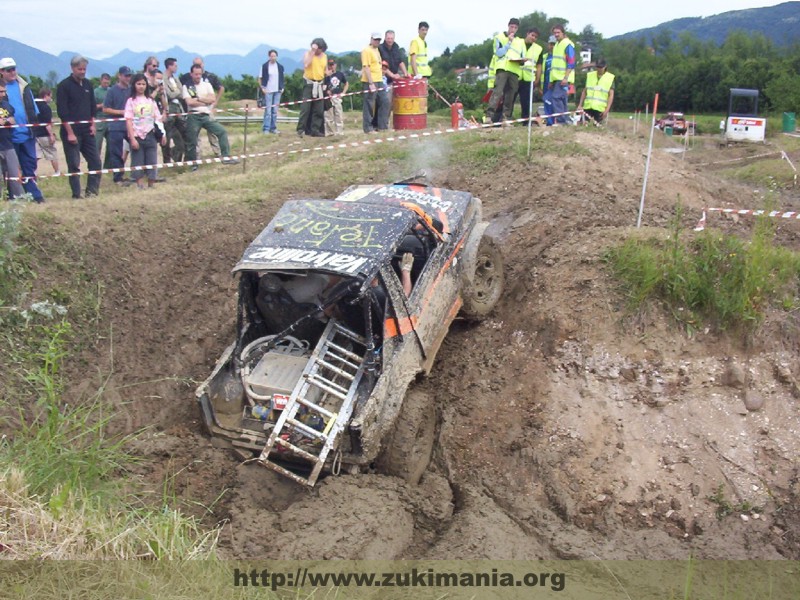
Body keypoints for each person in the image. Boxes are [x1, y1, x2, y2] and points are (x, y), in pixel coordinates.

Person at [56, 55, 102, 199]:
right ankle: (77, 194)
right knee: (74, 164)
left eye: (84, 69)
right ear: (72, 68)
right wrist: (70, 133)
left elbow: (92, 108)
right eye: (79, 69)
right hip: (72, 131)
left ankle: (92, 191)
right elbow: (62, 113)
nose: (82, 71)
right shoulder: (64, 86)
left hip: (87, 130)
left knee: (95, 161)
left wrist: (93, 125)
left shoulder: (88, 84)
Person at [0, 57, 44, 202]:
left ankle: (34, 195)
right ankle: (13, 197)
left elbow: (33, 110)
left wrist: (34, 127)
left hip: (27, 133)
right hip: (8, 137)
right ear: (2, 72)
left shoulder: (24, 86)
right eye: (9, 70)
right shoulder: (1, 89)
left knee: (29, 165)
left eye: (14, 68)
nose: (12, 72)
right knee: (10, 170)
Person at [183, 64, 238, 168]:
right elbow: (189, 102)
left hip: (206, 114)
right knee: (192, 140)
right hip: (193, 115)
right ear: (191, 74)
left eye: (199, 74)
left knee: (221, 131)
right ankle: (193, 164)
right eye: (196, 74)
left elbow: (212, 99)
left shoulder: (207, 85)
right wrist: (205, 101)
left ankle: (226, 157)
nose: (198, 76)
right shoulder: (187, 86)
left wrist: (199, 99)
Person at [125, 73, 165, 189]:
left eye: (143, 84)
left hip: (150, 134)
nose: (141, 86)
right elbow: (128, 120)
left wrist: (163, 134)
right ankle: (140, 185)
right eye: (138, 84)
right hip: (137, 135)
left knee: (152, 160)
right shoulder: (130, 101)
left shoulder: (150, 101)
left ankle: (151, 184)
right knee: (138, 161)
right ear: (134, 85)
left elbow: (157, 118)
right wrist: (132, 138)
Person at [483, 19, 526, 124]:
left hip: (514, 70)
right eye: (511, 27)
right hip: (502, 68)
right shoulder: (499, 38)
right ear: (508, 26)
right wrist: (509, 42)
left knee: (510, 95)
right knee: (497, 92)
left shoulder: (521, 42)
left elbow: (523, 56)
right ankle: (489, 116)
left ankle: (506, 117)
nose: (513, 29)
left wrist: (522, 61)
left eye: (515, 28)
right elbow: (499, 53)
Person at [180, 57, 224, 156]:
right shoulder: (186, 78)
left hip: (208, 110)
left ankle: (218, 152)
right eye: (196, 64)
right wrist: (203, 101)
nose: (198, 67)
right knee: (195, 136)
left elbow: (220, 88)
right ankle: (197, 156)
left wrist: (215, 102)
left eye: (200, 64)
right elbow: (188, 99)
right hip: (194, 111)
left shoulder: (210, 76)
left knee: (213, 132)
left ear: (203, 64)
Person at [103, 66, 133, 185]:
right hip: (115, 126)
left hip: (129, 125)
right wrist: (121, 112)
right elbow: (106, 109)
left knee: (136, 147)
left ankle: (136, 173)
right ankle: (118, 177)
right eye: (126, 75)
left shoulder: (131, 90)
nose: (128, 78)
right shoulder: (112, 91)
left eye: (129, 76)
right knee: (116, 152)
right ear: (119, 76)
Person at [0, 80, 26, 200]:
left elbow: (12, 118)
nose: (3, 94)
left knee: (14, 173)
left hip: (8, 144)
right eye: (0, 91)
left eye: (4, 91)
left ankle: (18, 198)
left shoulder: (7, 105)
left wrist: (10, 120)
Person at [296, 38, 327, 137]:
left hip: (320, 83)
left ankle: (315, 129)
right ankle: (301, 129)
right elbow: (306, 64)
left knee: (318, 109)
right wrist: (312, 52)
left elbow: (324, 69)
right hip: (309, 83)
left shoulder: (324, 56)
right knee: (306, 108)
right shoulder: (308, 54)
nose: (319, 51)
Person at [378, 30, 408, 126]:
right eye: (388, 38)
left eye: (391, 38)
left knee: (391, 104)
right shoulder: (380, 49)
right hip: (384, 80)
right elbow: (382, 66)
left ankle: (387, 123)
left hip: (394, 81)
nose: (390, 40)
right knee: (385, 102)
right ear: (385, 38)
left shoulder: (396, 47)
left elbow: (400, 61)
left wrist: (406, 73)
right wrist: (392, 75)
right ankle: (382, 124)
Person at [548, 24, 575, 125]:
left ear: (563, 33)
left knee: (556, 98)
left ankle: (561, 121)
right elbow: (554, 64)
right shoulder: (556, 45)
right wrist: (551, 80)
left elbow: (571, 62)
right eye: (554, 33)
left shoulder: (567, 44)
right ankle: (566, 120)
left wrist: (566, 77)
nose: (556, 35)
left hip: (563, 78)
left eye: (558, 32)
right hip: (556, 78)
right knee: (562, 100)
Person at [361, 32, 388, 134]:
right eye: (376, 39)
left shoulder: (376, 50)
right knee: (369, 104)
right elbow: (366, 67)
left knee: (385, 101)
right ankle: (368, 128)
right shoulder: (366, 50)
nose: (377, 42)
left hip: (379, 79)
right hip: (370, 80)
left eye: (379, 40)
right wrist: (371, 83)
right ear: (371, 39)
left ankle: (382, 126)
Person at [577, 58, 615, 125]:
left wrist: (607, 110)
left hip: (600, 108)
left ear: (605, 66)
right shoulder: (590, 75)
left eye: (600, 67)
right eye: (597, 67)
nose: (599, 69)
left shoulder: (610, 78)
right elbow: (584, 91)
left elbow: (611, 95)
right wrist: (580, 105)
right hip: (588, 106)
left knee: (597, 128)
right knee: (582, 124)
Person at [162, 58, 186, 164]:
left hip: (178, 108)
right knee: (167, 135)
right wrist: (178, 91)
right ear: (169, 66)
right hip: (169, 108)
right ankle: (166, 159)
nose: (176, 67)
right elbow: (169, 94)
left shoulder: (175, 79)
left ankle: (177, 155)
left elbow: (182, 92)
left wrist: (177, 92)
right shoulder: (163, 78)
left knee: (182, 134)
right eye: (175, 65)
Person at [518, 28, 543, 122]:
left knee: (526, 102)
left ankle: (526, 121)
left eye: (536, 37)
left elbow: (539, 65)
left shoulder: (538, 49)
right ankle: (505, 119)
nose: (533, 38)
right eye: (532, 35)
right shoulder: (518, 43)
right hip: (517, 76)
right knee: (510, 99)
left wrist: (537, 78)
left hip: (529, 78)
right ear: (527, 33)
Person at [33, 88, 60, 175]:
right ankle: (57, 171)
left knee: (35, 155)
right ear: (46, 96)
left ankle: (33, 172)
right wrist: (51, 135)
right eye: (50, 96)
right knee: (52, 153)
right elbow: (47, 123)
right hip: (44, 134)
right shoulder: (46, 107)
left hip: (34, 134)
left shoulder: (32, 105)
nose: (51, 99)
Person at [260, 50, 285, 135]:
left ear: (277, 56)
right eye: (271, 56)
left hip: (277, 90)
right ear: (269, 57)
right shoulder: (265, 66)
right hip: (268, 90)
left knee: (275, 110)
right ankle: (266, 128)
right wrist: (262, 88)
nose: (273, 57)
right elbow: (260, 78)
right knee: (268, 111)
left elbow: (282, 77)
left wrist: (282, 87)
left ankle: (273, 128)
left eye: (274, 56)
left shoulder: (280, 66)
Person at [323, 58, 347, 136]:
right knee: (328, 115)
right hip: (328, 97)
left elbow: (346, 83)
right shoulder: (325, 75)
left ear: (335, 65)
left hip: (337, 96)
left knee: (338, 115)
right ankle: (329, 132)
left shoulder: (340, 74)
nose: (331, 66)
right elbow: (323, 85)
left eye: (332, 64)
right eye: (330, 65)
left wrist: (343, 93)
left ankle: (339, 132)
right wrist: (326, 91)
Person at [94, 73, 112, 167]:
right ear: (101, 80)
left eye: (108, 81)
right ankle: (96, 165)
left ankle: (107, 166)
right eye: (105, 80)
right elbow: (92, 106)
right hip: (99, 119)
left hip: (110, 119)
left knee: (111, 144)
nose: (106, 82)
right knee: (97, 144)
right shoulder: (96, 92)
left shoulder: (111, 91)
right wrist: (101, 105)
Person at [541, 36, 556, 126]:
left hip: (556, 84)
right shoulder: (544, 57)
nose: (552, 46)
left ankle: (554, 121)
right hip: (546, 84)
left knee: (555, 103)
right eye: (551, 44)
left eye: (554, 44)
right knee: (547, 102)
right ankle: (549, 122)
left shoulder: (559, 57)